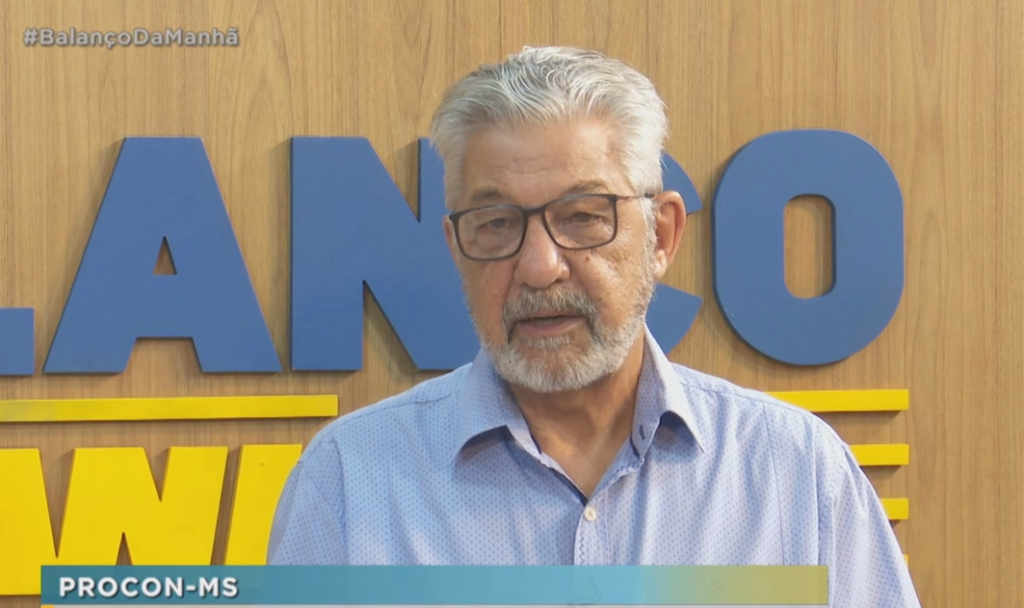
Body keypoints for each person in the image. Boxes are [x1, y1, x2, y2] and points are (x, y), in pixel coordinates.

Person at [267, 46, 921, 607]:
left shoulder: (795, 471)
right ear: (456, 248)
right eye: (496, 224)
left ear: (661, 235)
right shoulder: (349, 480)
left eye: (582, 216)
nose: (539, 267)